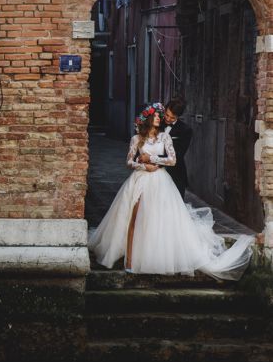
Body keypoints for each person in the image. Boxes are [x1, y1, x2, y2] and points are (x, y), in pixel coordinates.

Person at [89, 103, 253, 279]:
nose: (161, 118)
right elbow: (129, 162)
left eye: (162, 116)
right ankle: (129, 260)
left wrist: (151, 159)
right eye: (158, 116)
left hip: (160, 181)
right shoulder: (136, 139)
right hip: (139, 181)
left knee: (156, 219)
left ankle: (151, 257)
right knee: (133, 218)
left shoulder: (164, 138)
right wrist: (143, 165)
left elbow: (173, 160)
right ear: (149, 119)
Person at [162, 97, 193, 199]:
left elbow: (179, 154)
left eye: (172, 117)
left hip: (175, 173)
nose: (168, 119)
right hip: (155, 174)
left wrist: (154, 158)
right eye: (167, 115)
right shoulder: (157, 123)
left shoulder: (185, 130)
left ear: (178, 116)